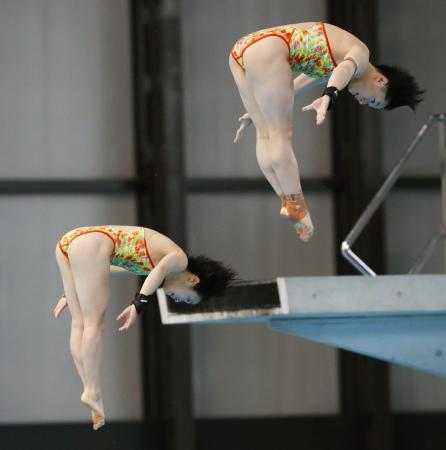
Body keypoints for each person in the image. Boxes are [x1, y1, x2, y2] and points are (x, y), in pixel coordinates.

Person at [229, 21, 424, 241]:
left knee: (265, 133)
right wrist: (330, 94)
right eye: (373, 101)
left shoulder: (328, 61)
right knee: (281, 134)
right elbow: (345, 69)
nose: (363, 103)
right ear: (380, 80)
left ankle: (287, 200)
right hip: (269, 47)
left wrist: (258, 111)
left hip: (242, 51)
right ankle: (296, 206)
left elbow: (293, 87)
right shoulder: (360, 55)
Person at [53, 225, 235, 430]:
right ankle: (92, 390)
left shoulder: (150, 260)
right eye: (187, 300)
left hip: (69, 243)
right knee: (94, 323)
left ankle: (89, 388)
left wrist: (75, 289)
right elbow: (160, 270)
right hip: (92, 242)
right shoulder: (179, 259)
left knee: (79, 322)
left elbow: (108, 268)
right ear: (193, 279)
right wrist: (139, 303)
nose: (178, 300)